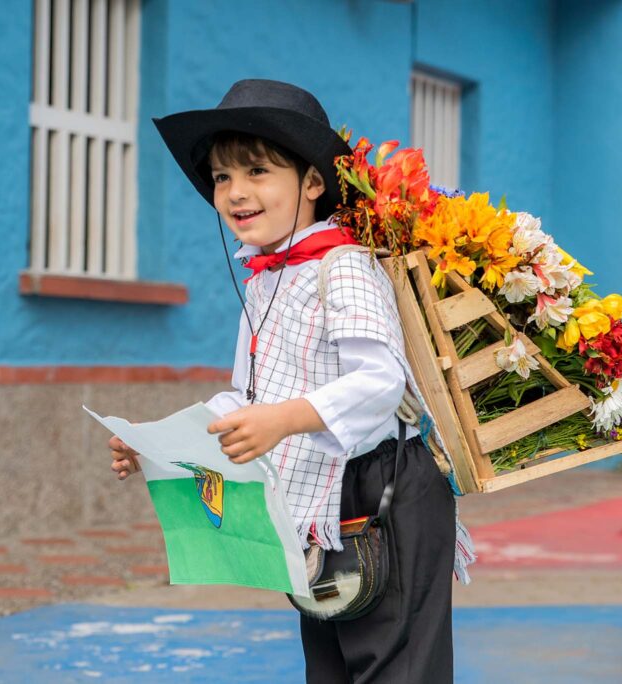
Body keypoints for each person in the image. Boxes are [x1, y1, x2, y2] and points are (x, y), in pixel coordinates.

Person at [108, 79, 474, 683]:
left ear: (311, 182)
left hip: (383, 489)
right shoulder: (263, 279)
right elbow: (248, 397)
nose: (235, 192)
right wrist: (155, 440)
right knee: (328, 668)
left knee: (397, 669)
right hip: (314, 501)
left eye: (257, 170)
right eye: (222, 177)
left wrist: (284, 420)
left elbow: (381, 379)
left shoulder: (343, 265)